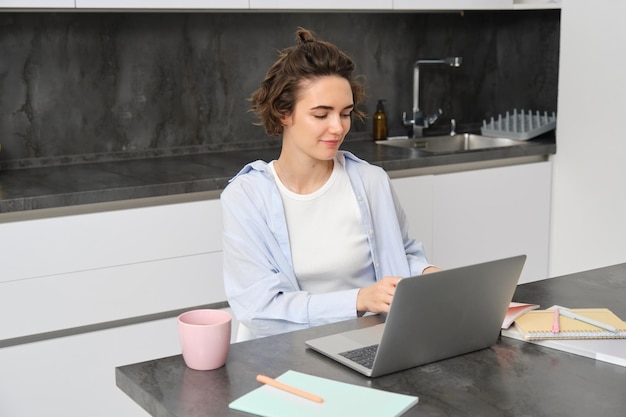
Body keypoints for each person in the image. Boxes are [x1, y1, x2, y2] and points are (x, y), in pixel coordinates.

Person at [221, 28, 439, 339]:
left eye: (345, 114)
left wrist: (429, 275)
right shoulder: (245, 198)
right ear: (284, 113)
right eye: (321, 114)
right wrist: (359, 300)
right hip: (289, 353)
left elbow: (401, 255)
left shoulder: (371, 181)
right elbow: (259, 309)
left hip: (374, 341)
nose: (338, 128)